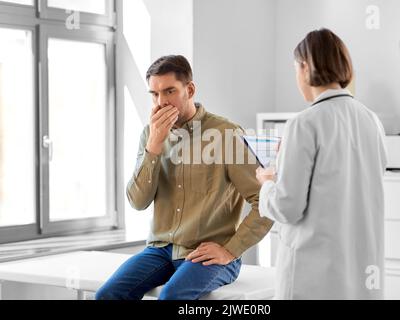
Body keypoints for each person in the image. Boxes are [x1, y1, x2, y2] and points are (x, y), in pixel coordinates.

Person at [95, 55, 273, 300]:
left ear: (189, 89)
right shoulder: (150, 133)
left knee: (171, 298)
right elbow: (137, 201)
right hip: (160, 250)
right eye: (154, 94)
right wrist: (154, 147)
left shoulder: (227, 134)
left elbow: (264, 201)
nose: (161, 102)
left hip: (207, 254)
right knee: (107, 295)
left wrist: (231, 250)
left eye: (169, 91)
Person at [256, 28, 387, 299]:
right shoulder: (372, 120)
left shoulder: (303, 123)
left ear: (305, 67)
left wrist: (267, 183)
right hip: (360, 273)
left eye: (295, 70)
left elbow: (287, 208)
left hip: (313, 277)